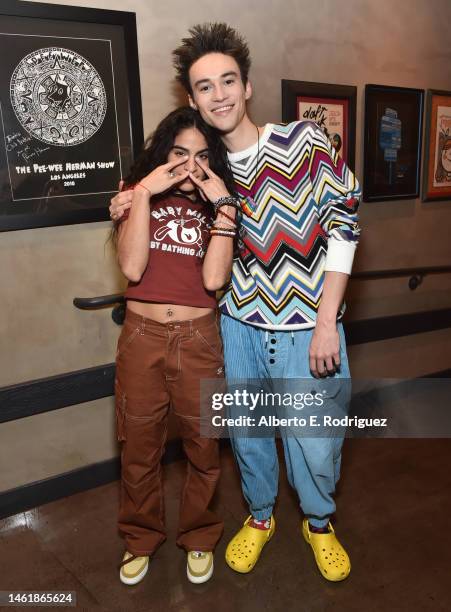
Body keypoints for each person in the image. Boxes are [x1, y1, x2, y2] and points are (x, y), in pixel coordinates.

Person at [111, 23, 361, 582]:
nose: (218, 94)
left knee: (316, 444)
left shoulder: (303, 140)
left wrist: (326, 322)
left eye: (228, 81)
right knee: (248, 438)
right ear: (192, 98)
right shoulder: (206, 169)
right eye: (204, 87)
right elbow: (157, 228)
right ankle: (261, 517)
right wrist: (127, 197)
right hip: (239, 327)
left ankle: (319, 524)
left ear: (247, 87)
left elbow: (344, 226)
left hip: (307, 326)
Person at [111, 106, 239, 585]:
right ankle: (140, 540)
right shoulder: (136, 197)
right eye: (180, 154)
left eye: (202, 156)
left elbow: (213, 277)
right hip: (142, 339)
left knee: (204, 448)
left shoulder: (219, 205)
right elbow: (132, 268)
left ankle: (200, 536)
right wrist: (142, 193)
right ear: (164, 155)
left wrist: (225, 206)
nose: (191, 166)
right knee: (139, 449)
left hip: (199, 338)